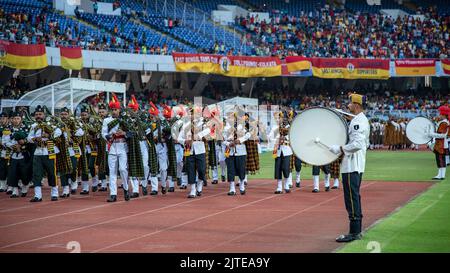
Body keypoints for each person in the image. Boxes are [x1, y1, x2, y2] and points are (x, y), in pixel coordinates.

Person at [329, 93, 370, 243]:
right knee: (354, 197)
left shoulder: (358, 122)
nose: (348, 105)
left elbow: (358, 144)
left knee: (351, 199)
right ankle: (356, 229)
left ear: (357, 105)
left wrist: (340, 148)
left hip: (352, 165)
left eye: (351, 103)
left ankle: (354, 232)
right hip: (354, 165)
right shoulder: (359, 120)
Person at [27, 105, 63, 202]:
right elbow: (29, 138)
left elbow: (59, 132)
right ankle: (37, 195)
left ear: (44, 115)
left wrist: (49, 135)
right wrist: (35, 139)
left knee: (52, 173)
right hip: (38, 152)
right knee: (36, 173)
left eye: (40, 114)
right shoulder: (34, 126)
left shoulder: (51, 123)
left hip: (49, 150)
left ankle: (54, 193)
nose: (38, 116)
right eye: (37, 114)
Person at [102, 94, 130, 202]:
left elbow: (132, 133)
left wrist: (124, 133)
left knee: (123, 169)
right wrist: (111, 136)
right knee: (112, 172)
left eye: (116, 109)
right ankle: (113, 194)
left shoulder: (125, 120)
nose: (114, 111)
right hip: (112, 147)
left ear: (119, 110)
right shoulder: (106, 121)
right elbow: (103, 134)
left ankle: (126, 189)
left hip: (122, 147)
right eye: (112, 109)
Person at [428, 105, 449, 180]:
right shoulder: (443, 122)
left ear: (443, 115)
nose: (439, 115)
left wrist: (431, 134)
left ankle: (442, 175)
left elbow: (443, 135)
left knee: (441, 159)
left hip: (441, 144)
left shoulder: (444, 123)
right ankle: (440, 175)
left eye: (440, 114)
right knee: (439, 159)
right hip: (440, 143)